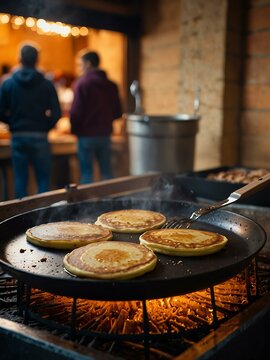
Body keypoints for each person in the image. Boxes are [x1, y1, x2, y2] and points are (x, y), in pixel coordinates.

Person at [0, 43, 61, 198]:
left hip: (18, 137)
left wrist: (12, 123)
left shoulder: (8, 83)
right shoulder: (47, 83)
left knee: (20, 180)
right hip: (40, 136)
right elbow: (57, 113)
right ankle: (44, 217)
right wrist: (44, 127)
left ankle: (23, 219)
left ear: (19, 59)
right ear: (37, 60)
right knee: (43, 181)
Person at [70, 50, 122, 184]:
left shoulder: (81, 84)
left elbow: (76, 112)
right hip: (105, 135)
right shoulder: (112, 85)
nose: (79, 68)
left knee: (87, 174)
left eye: (80, 65)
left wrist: (75, 130)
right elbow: (118, 112)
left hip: (86, 136)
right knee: (107, 173)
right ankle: (112, 203)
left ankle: (88, 204)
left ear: (88, 64)